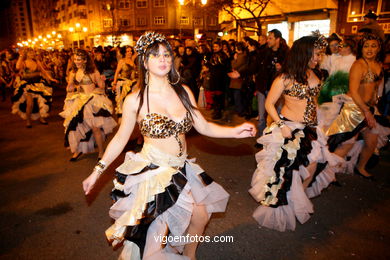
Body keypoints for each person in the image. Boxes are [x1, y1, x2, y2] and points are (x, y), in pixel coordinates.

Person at [82, 32, 256, 260]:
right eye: (155, 55)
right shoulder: (136, 99)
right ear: (145, 62)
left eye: (166, 54)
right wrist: (96, 172)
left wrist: (234, 132)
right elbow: (120, 139)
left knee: (200, 217)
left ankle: (190, 254)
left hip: (182, 168)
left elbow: (203, 126)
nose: (163, 59)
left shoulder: (183, 91)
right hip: (154, 173)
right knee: (153, 238)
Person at [249, 33, 342, 232]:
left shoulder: (315, 74)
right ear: (304, 53)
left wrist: (319, 123)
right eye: (316, 54)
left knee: (314, 165)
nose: (318, 58)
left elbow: (314, 102)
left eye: (320, 54)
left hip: (311, 130)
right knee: (285, 174)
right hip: (290, 129)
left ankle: (300, 200)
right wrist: (281, 125)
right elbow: (269, 103)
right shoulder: (285, 76)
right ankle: (283, 207)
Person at [326, 33, 390, 178]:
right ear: (361, 48)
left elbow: (375, 88)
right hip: (354, 108)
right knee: (346, 143)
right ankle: (328, 174)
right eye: (366, 46)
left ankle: (360, 167)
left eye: (373, 46)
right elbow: (354, 91)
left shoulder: (378, 64)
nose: (369, 49)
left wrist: (374, 107)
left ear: (379, 48)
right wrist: (366, 111)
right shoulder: (358, 64)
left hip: (370, 108)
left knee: (371, 141)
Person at [60, 49, 117, 161]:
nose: (76, 61)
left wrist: (102, 80)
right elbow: (70, 87)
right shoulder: (73, 72)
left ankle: (101, 151)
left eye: (79, 59)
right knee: (76, 128)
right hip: (78, 100)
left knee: (95, 128)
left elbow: (101, 86)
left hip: (91, 101)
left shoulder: (93, 72)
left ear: (85, 60)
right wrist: (69, 87)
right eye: (75, 59)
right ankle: (77, 151)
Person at [12, 48, 58, 128]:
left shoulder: (37, 61)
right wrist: (21, 56)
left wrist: (50, 78)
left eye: (33, 53)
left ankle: (41, 118)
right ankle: (28, 121)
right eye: (30, 53)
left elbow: (43, 71)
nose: (32, 54)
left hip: (39, 84)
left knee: (41, 102)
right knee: (30, 104)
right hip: (28, 84)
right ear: (27, 54)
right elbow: (18, 67)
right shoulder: (24, 62)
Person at [112, 46, 138, 121]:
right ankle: (124, 118)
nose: (130, 52)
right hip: (123, 83)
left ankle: (131, 115)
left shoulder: (132, 59)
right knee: (123, 101)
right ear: (124, 53)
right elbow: (116, 72)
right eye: (127, 51)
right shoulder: (122, 61)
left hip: (132, 83)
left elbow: (137, 52)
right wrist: (114, 84)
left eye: (130, 51)